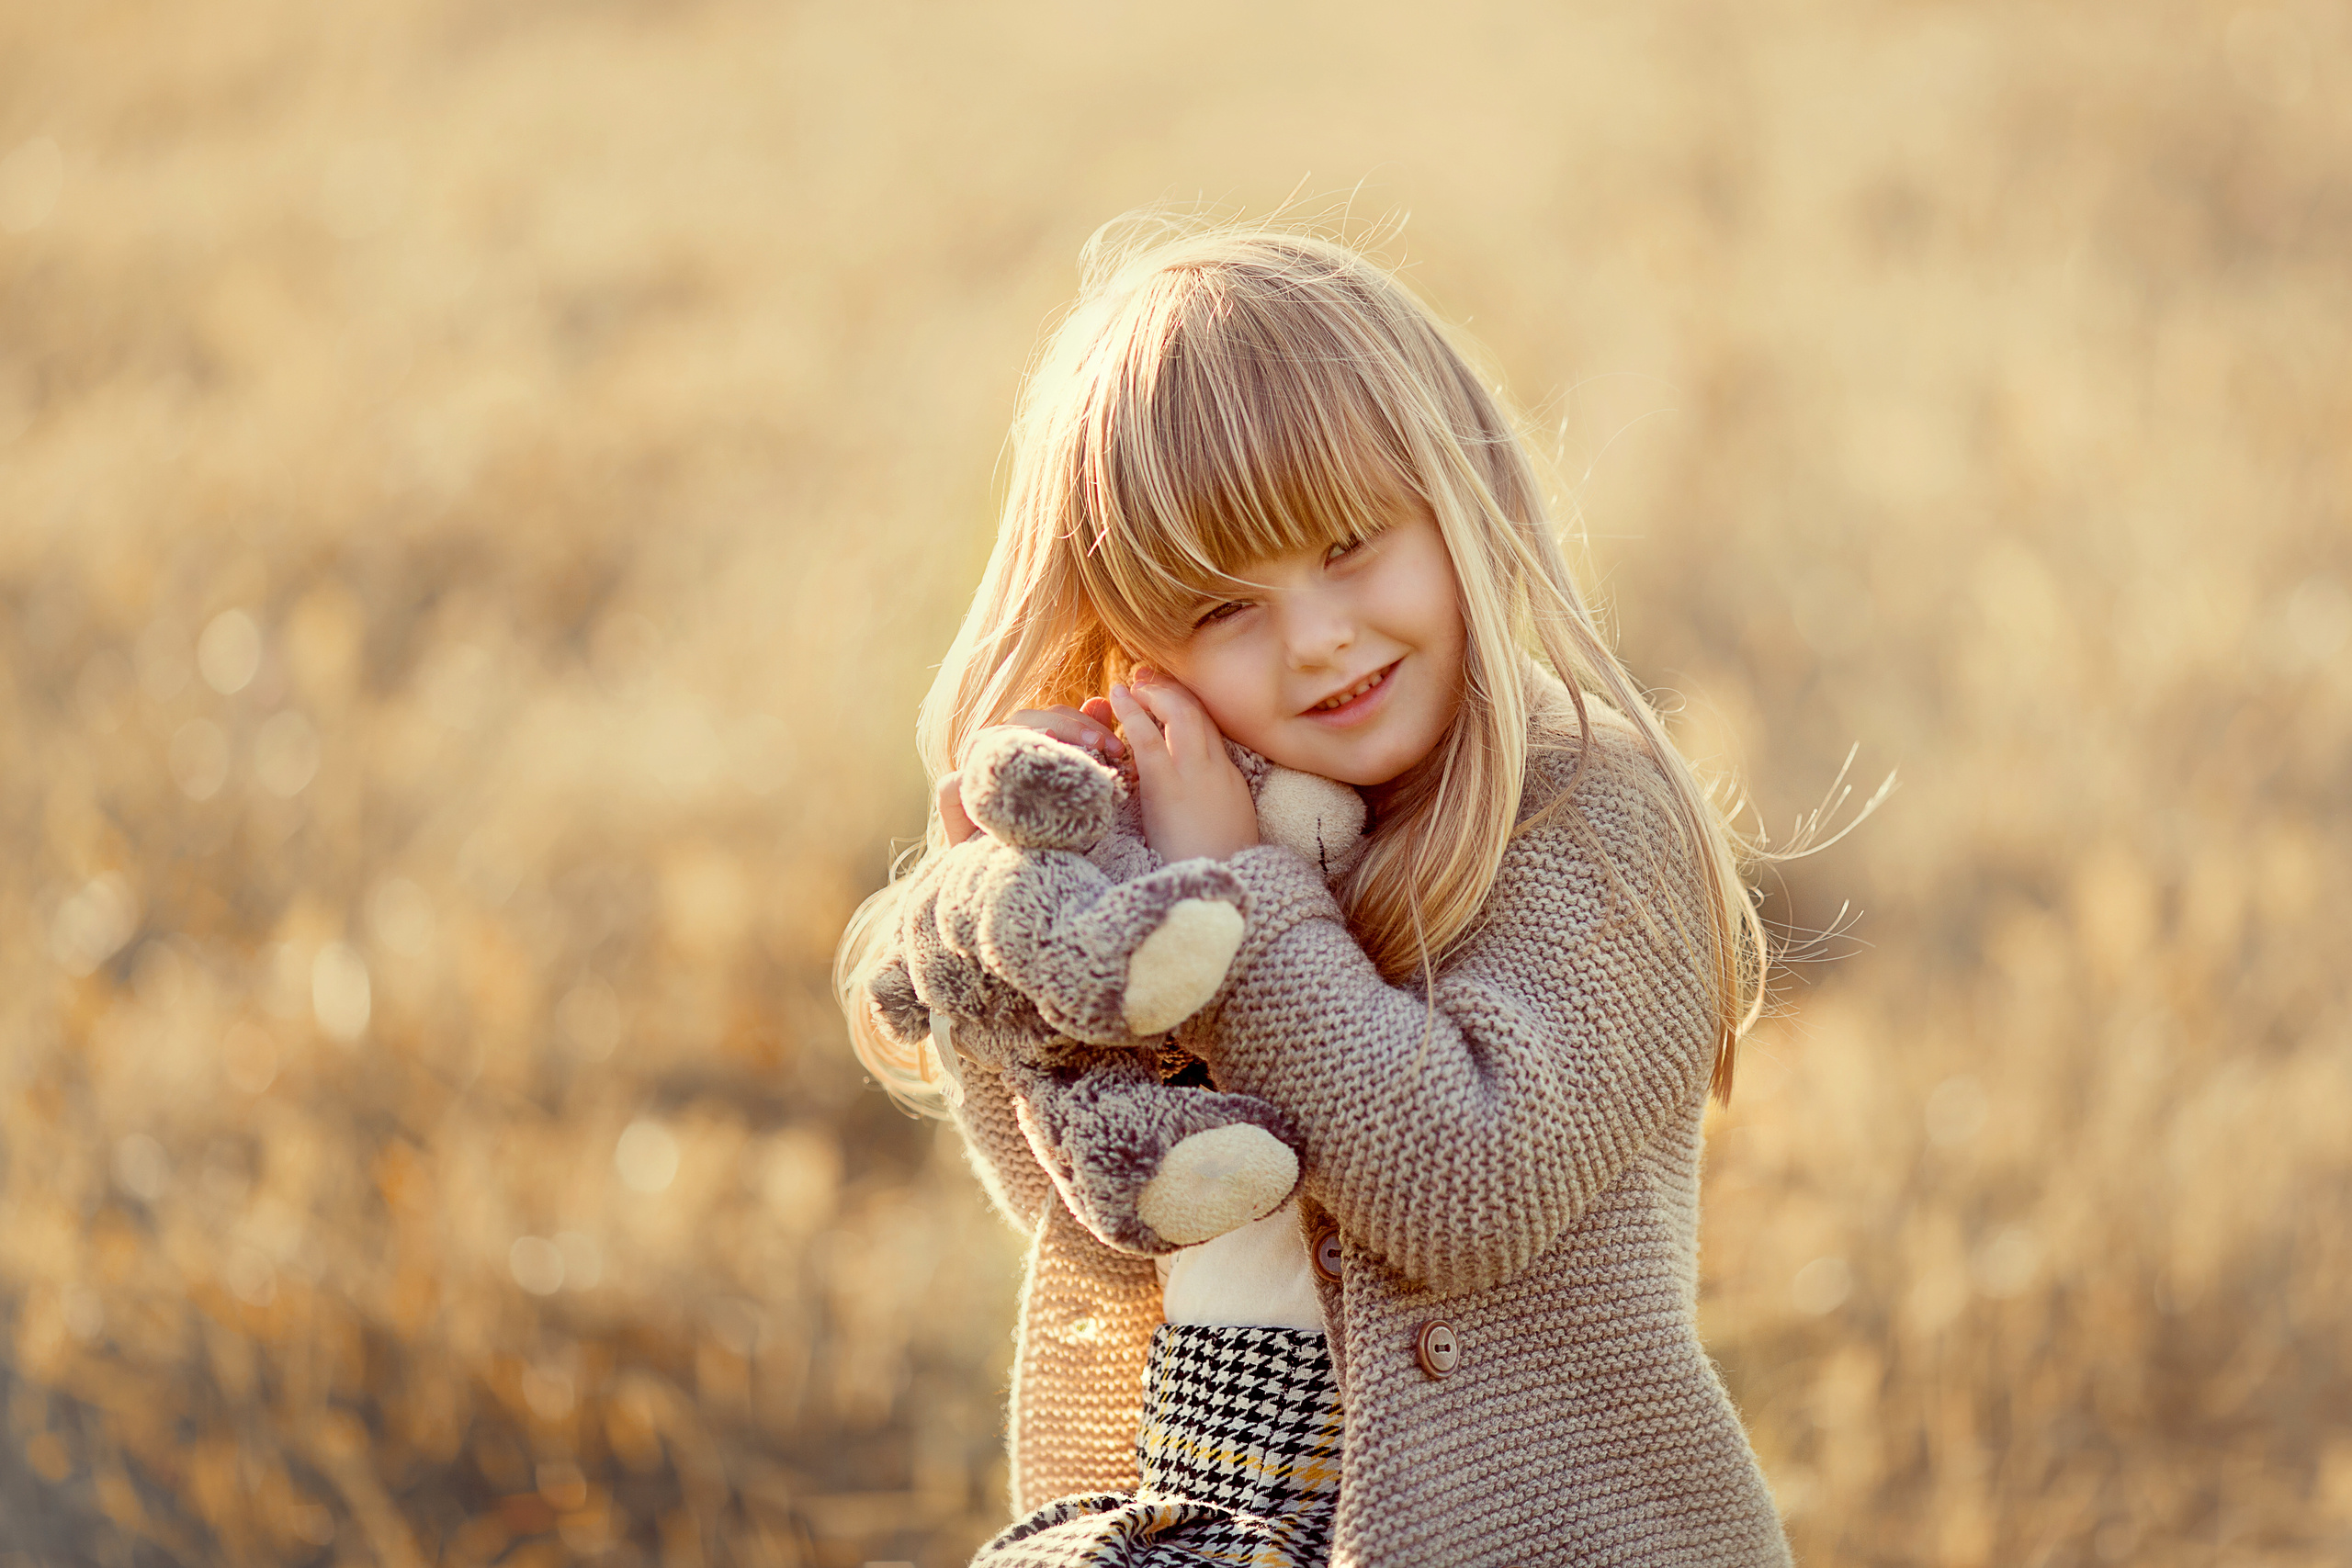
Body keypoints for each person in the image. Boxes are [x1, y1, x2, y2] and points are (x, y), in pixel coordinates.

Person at [835, 219, 1792, 1567]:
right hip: (1210, 1514)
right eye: (1225, 609)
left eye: (1350, 543)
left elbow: (1465, 1191)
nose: (1319, 636)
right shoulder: (1179, 824)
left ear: (1463, 497)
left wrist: (1250, 899)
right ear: (1139, 648)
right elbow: (1080, 1211)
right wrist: (1032, 931)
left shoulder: (1594, 818)